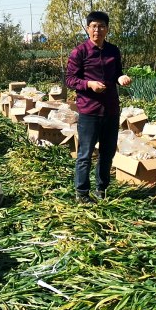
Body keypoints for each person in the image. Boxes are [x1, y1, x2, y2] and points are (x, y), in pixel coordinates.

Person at [64, 11, 132, 203]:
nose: (97, 30)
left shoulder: (113, 51)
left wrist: (122, 78)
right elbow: (69, 80)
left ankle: (101, 190)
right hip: (89, 111)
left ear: (107, 29)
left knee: (107, 153)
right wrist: (89, 85)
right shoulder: (80, 52)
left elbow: (117, 73)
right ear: (88, 28)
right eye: (94, 26)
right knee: (85, 154)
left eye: (101, 26)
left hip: (111, 109)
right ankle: (82, 193)